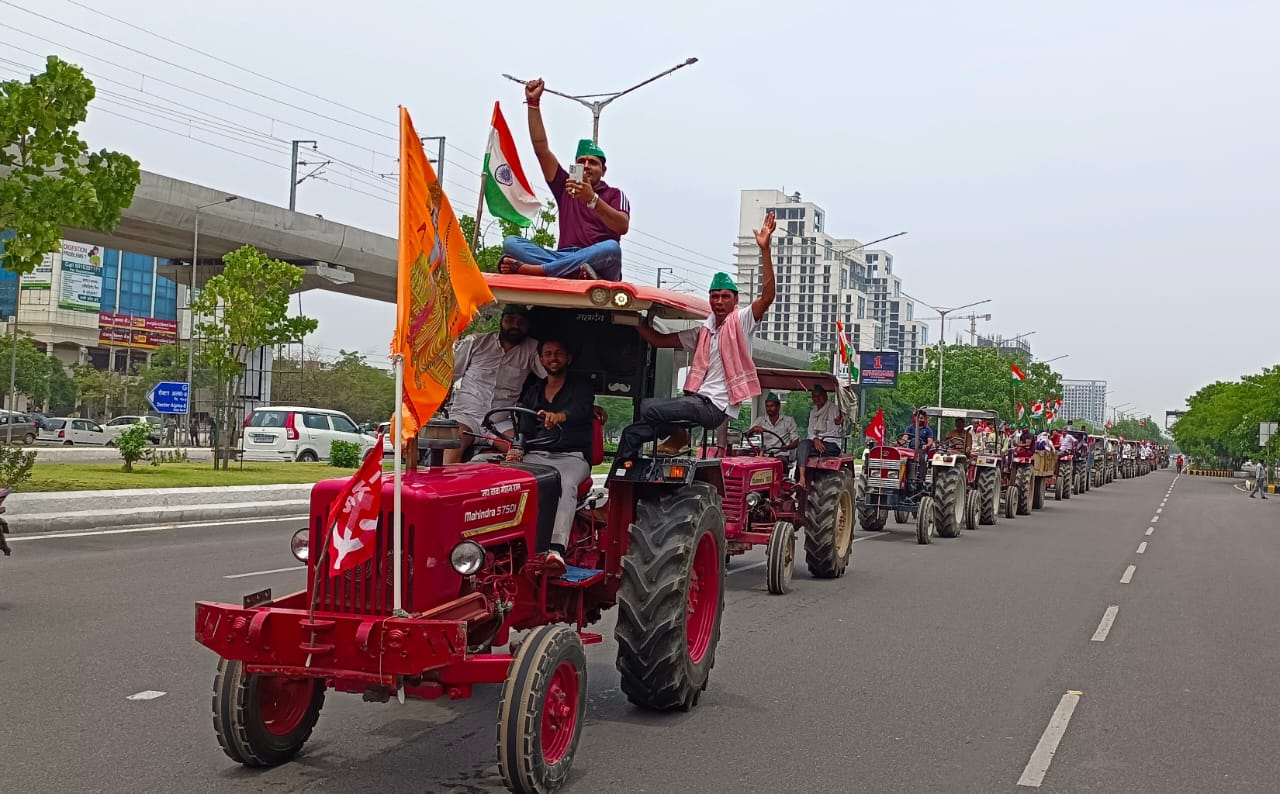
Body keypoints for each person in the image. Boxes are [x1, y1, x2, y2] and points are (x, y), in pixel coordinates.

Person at [614, 212, 776, 462]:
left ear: (736, 300)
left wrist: (765, 250)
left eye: (725, 296)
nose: (719, 301)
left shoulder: (741, 322)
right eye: (714, 296)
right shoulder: (703, 332)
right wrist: (633, 318)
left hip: (714, 407)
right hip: (695, 401)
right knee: (631, 433)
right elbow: (658, 340)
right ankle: (622, 482)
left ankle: (680, 437)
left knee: (649, 407)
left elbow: (767, 296)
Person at [499, 79, 629, 281]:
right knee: (511, 243)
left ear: (603, 170)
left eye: (592, 163)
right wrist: (533, 105)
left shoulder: (615, 194)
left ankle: (542, 271)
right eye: (581, 162)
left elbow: (622, 226)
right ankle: (573, 272)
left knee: (611, 248)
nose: (586, 166)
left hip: (599, 263)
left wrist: (592, 199)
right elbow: (541, 149)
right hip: (563, 256)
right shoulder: (565, 186)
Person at [506, 338, 596, 572]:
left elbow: (581, 409)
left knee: (564, 483)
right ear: (541, 360)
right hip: (536, 455)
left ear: (568, 358)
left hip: (572, 457)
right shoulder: (534, 391)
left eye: (558, 353)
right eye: (547, 354)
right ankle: (509, 544)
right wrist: (517, 449)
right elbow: (524, 428)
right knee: (503, 478)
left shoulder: (581, 386)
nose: (552, 358)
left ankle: (556, 550)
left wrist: (559, 416)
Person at [444, 305, 546, 464]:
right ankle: (451, 488)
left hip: (500, 420)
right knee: (451, 445)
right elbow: (448, 375)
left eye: (521, 322)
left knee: (519, 451)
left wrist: (581, 402)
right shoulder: (476, 341)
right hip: (466, 416)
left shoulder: (532, 348)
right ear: (501, 321)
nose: (515, 326)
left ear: (527, 326)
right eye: (510, 320)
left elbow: (551, 378)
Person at [796, 384, 843, 486]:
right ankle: (801, 479)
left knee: (804, 451)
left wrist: (840, 421)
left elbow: (841, 422)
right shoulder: (813, 412)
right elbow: (810, 432)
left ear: (825, 396)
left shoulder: (834, 409)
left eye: (819, 396)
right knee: (802, 446)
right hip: (816, 443)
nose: (817, 398)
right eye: (814, 396)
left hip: (831, 444)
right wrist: (815, 440)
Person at [748, 392, 798, 465]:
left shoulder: (788, 421)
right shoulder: (760, 420)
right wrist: (753, 429)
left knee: (779, 462)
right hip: (764, 454)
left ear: (778, 407)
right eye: (767, 406)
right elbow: (747, 435)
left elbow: (796, 441)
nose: (769, 408)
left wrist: (787, 447)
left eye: (772, 406)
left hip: (781, 455)